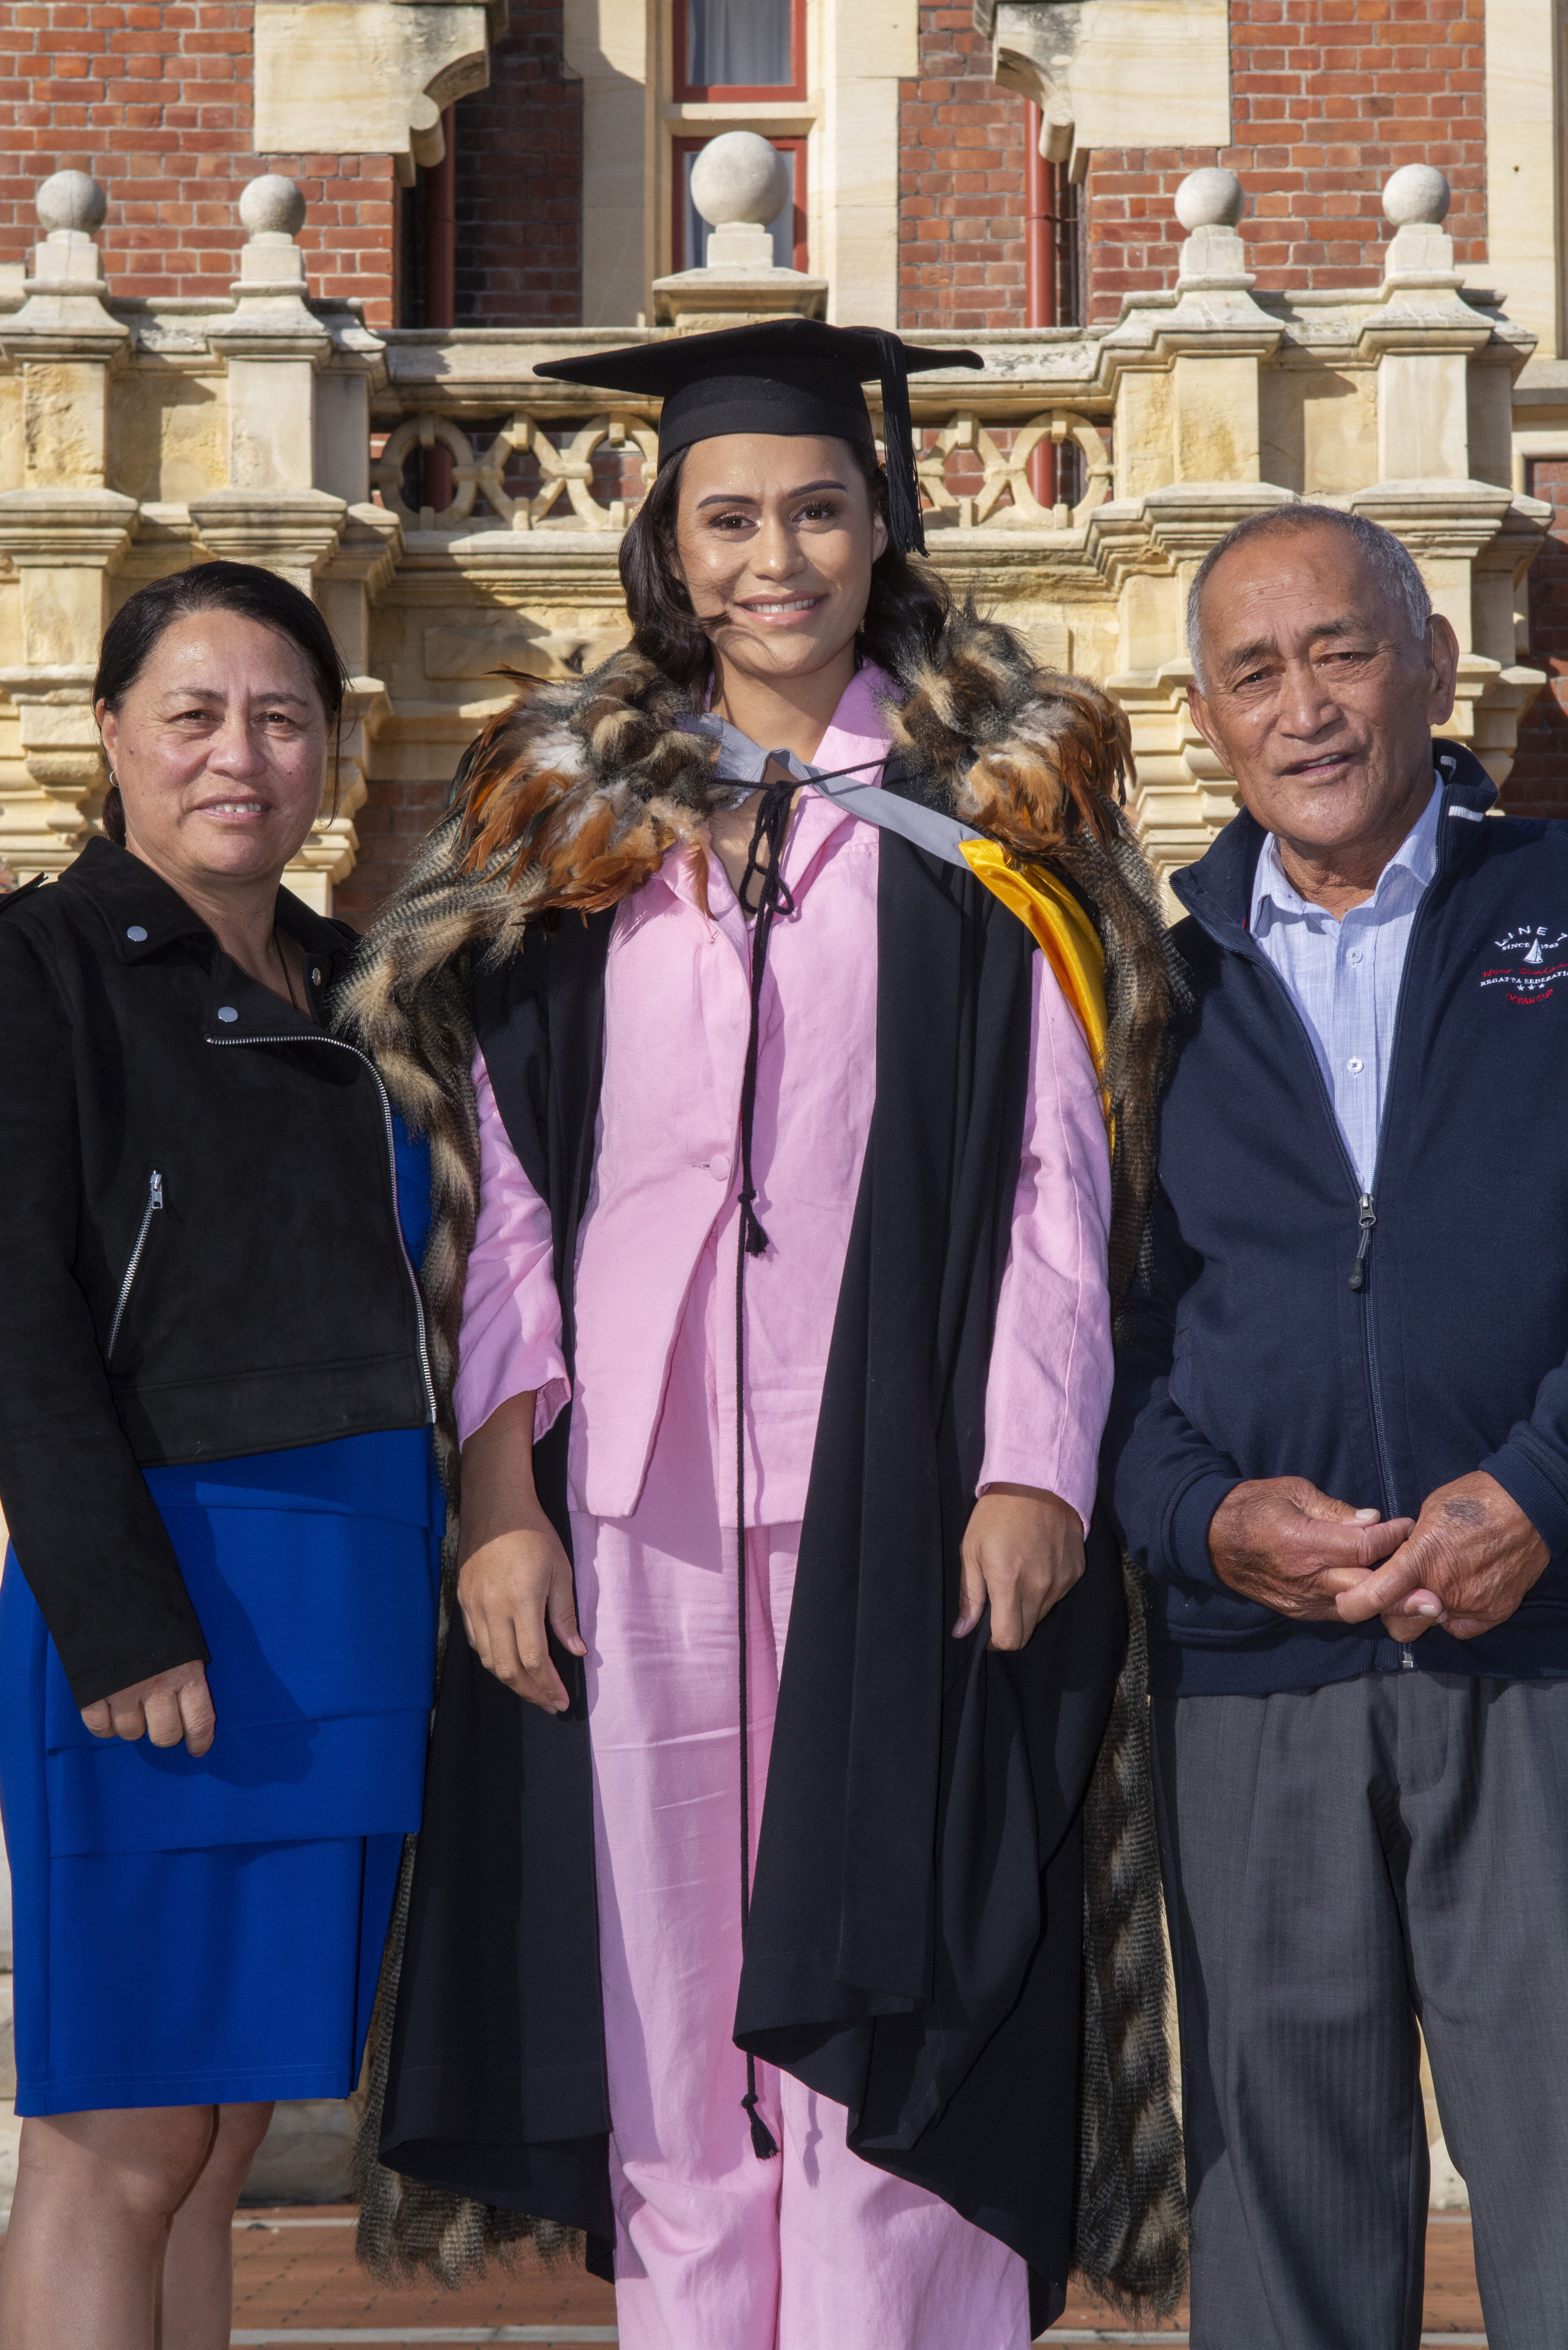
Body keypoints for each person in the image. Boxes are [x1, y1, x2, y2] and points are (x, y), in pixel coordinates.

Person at [338, 320, 1184, 2348]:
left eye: (815, 511)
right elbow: (502, 1184)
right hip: (632, 1491)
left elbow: (1059, 1173)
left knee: (890, 1968)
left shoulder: (995, 808)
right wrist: (499, 1494)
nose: (772, 559)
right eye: (728, 520)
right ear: (669, 544)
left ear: (881, 527)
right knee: (667, 2004)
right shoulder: (567, 814)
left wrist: (1030, 1464)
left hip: (901, 1479)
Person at [0, 563, 441, 2350]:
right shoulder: (34, 966)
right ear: (109, 736)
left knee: (220, 2137)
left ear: (330, 751)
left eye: (283, 720)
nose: (242, 756)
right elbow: (14, 1316)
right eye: (195, 715)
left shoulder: (365, 989)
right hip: (169, 1596)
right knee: (122, 2134)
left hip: (351, 1592)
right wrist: (122, 1617)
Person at [1109, 502, 1568, 2350]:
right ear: (1204, 722)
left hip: (1543, 1653)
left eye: (1341, 652)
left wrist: (1542, 1491)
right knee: (1284, 2241)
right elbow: (1096, 1352)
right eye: (1253, 673)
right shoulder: (1150, 992)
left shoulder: (1559, 910)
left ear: (1434, 667)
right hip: (1256, 1678)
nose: (1302, 708)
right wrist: (1208, 1525)